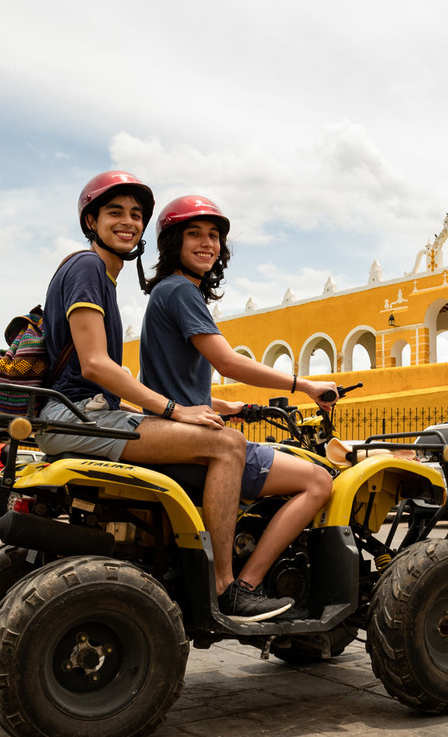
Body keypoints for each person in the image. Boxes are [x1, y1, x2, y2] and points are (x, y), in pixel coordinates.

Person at [38, 172, 283, 623]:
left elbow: (96, 378)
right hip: (77, 416)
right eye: (115, 212)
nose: (128, 222)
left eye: (136, 214)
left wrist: (184, 410)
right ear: (90, 220)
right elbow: (95, 366)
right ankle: (226, 587)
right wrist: (175, 410)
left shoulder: (100, 279)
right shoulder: (88, 268)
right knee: (227, 445)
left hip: (82, 414)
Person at [140, 195, 337, 621]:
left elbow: (165, 385)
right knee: (319, 482)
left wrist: (230, 405)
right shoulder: (181, 291)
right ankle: (239, 586)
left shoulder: (165, 293)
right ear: (173, 242)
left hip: (174, 431)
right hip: (195, 445)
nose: (207, 243)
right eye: (195, 234)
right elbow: (227, 362)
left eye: (214, 236)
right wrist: (305, 385)